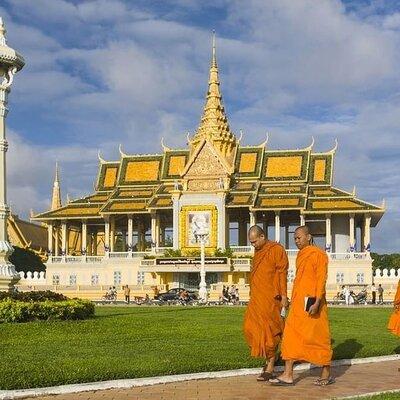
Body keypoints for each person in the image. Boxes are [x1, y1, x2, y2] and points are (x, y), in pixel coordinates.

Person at [270, 225, 334, 386]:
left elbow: (321, 279)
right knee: (291, 335)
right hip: (299, 302)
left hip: (313, 302)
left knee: (318, 337)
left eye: (299, 238)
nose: (296, 241)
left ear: (308, 237)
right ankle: (288, 374)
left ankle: (326, 374)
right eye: (295, 239)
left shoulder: (318, 254)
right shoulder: (301, 254)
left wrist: (318, 301)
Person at [243, 225, 289, 381]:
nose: (253, 245)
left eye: (255, 241)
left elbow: (282, 273)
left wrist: (284, 296)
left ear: (262, 237)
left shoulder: (276, 249)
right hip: (257, 298)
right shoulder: (258, 251)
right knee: (249, 328)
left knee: (270, 332)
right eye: (251, 242)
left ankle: (270, 364)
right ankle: (271, 358)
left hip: (271, 298)